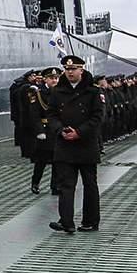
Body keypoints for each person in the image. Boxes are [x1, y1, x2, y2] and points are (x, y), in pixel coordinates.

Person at [48, 55, 103, 234]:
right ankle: (66, 222)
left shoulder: (93, 91)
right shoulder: (57, 91)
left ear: (81, 70)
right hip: (65, 144)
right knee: (66, 185)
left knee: (90, 185)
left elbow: (98, 117)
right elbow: (51, 115)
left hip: (86, 144)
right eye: (67, 69)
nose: (70, 72)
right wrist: (60, 130)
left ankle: (90, 221)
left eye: (73, 69)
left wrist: (79, 132)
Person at [17, 68, 56, 195]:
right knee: (41, 161)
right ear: (45, 79)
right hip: (44, 130)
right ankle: (35, 182)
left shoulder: (60, 93)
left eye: (56, 78)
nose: (54, 81)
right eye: (51, 78)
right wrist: (39, 131)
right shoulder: (38, 93)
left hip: (57, 130)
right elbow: (34, 114)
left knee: (58, 161)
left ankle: (55, 186)